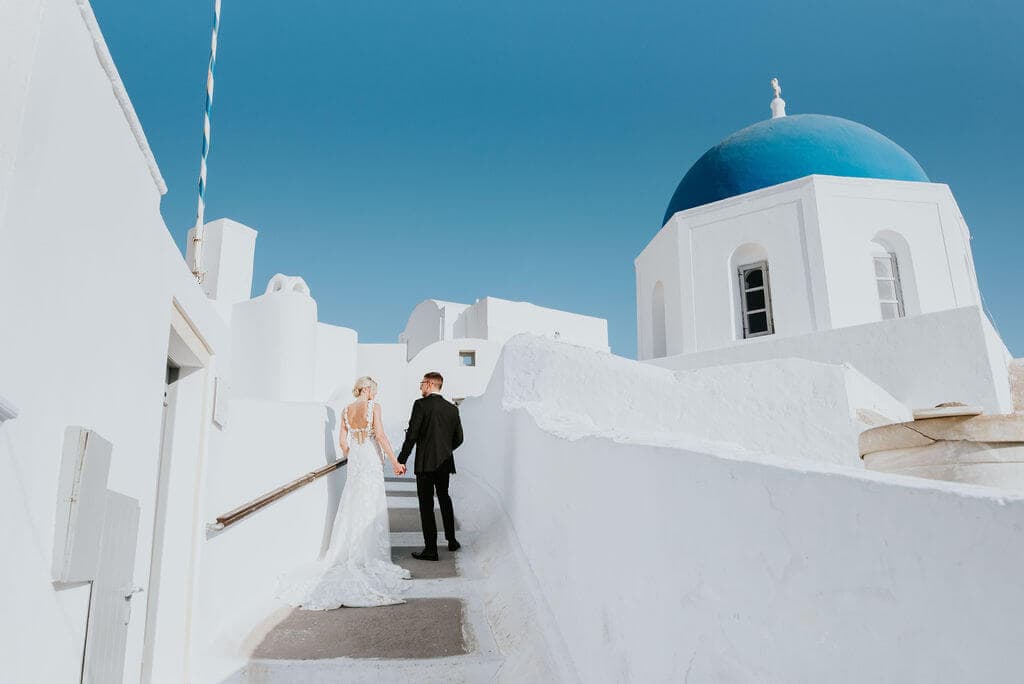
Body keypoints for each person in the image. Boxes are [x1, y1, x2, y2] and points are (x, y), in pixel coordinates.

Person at [275, 376, 410, 609]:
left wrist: (353, 456)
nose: (374, 395)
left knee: (353, 501)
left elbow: (343, 443)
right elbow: (380, 436)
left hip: (357, 458)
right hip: (369, 455)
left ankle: (347, 549)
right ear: (367, 390)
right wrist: (395, 461)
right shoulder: (373, 407)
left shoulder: (346, 410)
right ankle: (368, 553)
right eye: (373, 391)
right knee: (371, 503)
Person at [397, 371, 464, 561]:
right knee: (444, 498)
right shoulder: (452, 409)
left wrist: (401, 459)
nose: (420, 387)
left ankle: (431, 549)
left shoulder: (420, 405)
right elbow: (459, 438)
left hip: (425, 464)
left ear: (429, 384)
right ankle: (452, 541)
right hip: (444, 463)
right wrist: (444, 449)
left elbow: (412, 435)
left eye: (421, 383)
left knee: (426, 505)